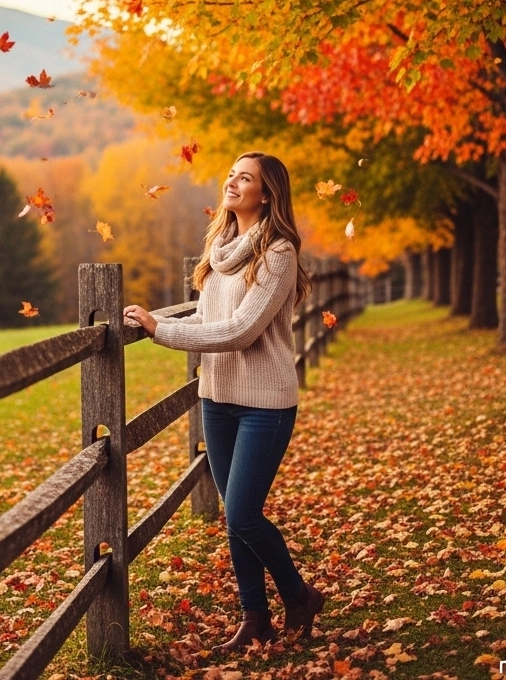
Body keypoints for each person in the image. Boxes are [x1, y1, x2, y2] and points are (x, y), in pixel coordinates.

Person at [124, 151, 325, 651]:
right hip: (216, 398)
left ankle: (299, 596)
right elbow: (208, 319)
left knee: (241, 513)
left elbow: (239, 331)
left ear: (267, 194)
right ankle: (254, 618)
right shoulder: (220, 249)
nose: (232, 183)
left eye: (246, 178)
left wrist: (161, 331)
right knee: (237, 521)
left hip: (265, 404)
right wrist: (157, 322)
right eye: (231, 175)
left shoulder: (278, 254)